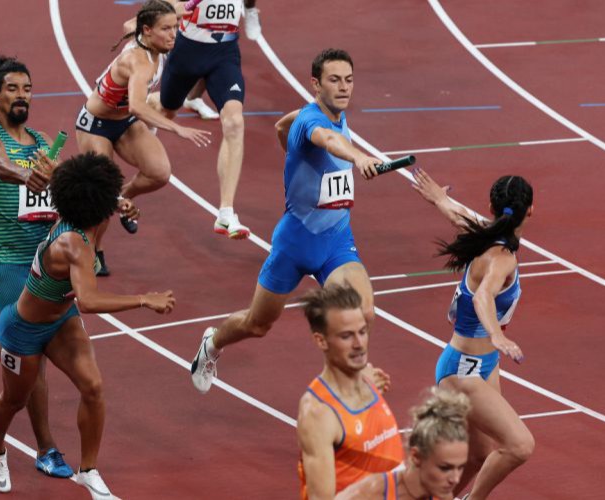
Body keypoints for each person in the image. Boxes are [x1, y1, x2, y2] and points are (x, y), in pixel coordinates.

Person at [190, 48, 382, 393]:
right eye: (334, 80)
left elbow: (282, 125)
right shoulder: (312, 121)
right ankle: (212, 343)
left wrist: (294, 155)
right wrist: (357, 156)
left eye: (349, 80)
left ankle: (350, 390)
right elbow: (329, 140)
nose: (344, 88)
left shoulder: (326, 116)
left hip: (337, 240)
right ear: (315, 85)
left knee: (363, 312)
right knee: (257, 324)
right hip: (295, 242)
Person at [0, 152, 175, 498]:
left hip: (60, 321)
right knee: (14, 401)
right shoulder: (74, 245)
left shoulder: (71, 209)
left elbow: (66, 179)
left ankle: (87, 470)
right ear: (97, 203)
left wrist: (119, 201)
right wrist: (144, 299)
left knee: (93, 387)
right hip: (22, 330)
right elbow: (88, 300)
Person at [0, 54, 73, 478]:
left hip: (44, 256)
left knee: (62, 353)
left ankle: (43, 442)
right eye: (12, 89)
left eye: (27, 89)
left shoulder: (44, 140)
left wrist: (108, 200)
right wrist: (24, 175)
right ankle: (44, 448)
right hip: (6, 259)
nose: (21, 96)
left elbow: (62, 187)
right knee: (33, 355)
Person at [411, 168, 535, 500]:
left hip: (482, 364)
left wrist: (439, 197)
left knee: (480, 455)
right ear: (531, 211)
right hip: (463, 370)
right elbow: (483, 296)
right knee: (520, 445)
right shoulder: (502, 259)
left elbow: (457, 214)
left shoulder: (486, 233)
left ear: (493, 210)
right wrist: (496, 333)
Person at [76, 0, 211, 275]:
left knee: (159, 172)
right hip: (96, 125)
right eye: (166, 29)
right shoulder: (139, 62)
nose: (174, 34)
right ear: (148, 31)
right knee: (101, 197)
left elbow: (134, 22)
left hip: (123, 121)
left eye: (175, 28)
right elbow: (138, 106)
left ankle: (123, 198)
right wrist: (178, 129)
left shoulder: (147, 36)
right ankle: (94, 250)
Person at [296, 285, 403, 500]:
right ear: (321, 340)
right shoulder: (319, 414)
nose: (359, 344)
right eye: (346, 336)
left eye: (362, 332)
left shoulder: (367, 379)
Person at [160, 0, 253, 239]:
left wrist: (250, 11)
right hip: (187, 52)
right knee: (167, 110)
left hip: (225, 54)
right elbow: (163, 4)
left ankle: (226, 212)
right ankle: (152, 103)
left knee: (234, 121)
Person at [336, 388, 471, 500]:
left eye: (460, 468)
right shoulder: (368, 495)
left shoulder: (441, 494)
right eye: (445, 468)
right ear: (416, 456)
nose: (456, 479)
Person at [122, 1, 219, 120]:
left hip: (175, 48)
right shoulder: (169, 3)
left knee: (213, 55)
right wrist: (147, 47)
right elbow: (130, 25)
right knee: (141, 108)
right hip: (150, 54)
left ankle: (193, 99)